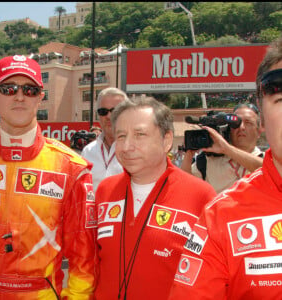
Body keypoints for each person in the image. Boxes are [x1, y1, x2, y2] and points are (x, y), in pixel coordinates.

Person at [168, 36, 282, 299]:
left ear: (258, 126)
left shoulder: (251, 158)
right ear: (266, 119)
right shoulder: (220, 217)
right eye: (280, 99)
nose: (240, 129)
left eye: (247, 124)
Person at [0, 55, 97, 299]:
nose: (20, 96)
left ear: (41, 97)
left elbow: (83, 259)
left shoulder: (70, 167)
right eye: (9, 88)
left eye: (30, 90)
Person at [94, 97, 216, 300]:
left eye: (139, 134)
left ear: (167, 140)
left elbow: (209, 278)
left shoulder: (201, 195)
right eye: (121, 136)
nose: (127, 146)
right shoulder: (105, 191)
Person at [181, 103, 264, 193]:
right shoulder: (206, 162)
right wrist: (189, 154)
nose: (241, 127)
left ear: (259, 131)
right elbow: (186, 186)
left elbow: (268, 169)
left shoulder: (270, 160)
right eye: (236, 123)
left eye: (248, 123)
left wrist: (227, 149)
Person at [82, 87, 128, 193]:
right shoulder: (88, 151)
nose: (109, 116)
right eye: (103, 111)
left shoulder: (137, 150)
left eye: (115, 111)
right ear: (98, 115)